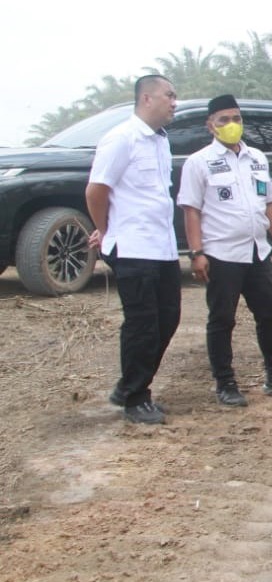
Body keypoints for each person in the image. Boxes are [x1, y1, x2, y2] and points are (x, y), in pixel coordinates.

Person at [176, 95, 272, 407]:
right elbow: (191, 210)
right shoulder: (199, 162)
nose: (232, 125)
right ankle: (225, 383)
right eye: (224, 120)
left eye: (236, 119)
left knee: (269, 315)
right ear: (211, 125)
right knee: (222, 319)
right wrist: (197, 252)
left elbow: (269, 202)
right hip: (221, 254)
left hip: (257, 251)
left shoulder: (257, 158)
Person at [86, 74, 181, 425]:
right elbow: (96, 192)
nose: (174, 102)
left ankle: (127, 385)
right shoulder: (121, 139)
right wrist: (105, 229)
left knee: (168, 319)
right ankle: (137, 397)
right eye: (169, 95)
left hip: (163, 246)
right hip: (133, 247)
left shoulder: (160, 140)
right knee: (142, 325)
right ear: (146, 99)